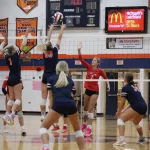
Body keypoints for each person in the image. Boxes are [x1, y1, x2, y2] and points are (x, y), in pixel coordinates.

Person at [39, 61, 85, 150]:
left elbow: (51, 97)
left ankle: (46, 147)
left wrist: (52, 109)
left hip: (58, 104)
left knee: (43, 128)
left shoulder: (51, 79)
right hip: (71, 104)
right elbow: (72, 95)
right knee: (78, 130)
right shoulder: (70, 80)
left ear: (57, 68)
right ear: (67, 69)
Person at [77, 42, 110, 137]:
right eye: (93, 60)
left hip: (95, 91)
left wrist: (108, 85)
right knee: (85, 110)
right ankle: (84, 124)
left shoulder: (100, 71)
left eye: (95, 60)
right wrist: (79, 49)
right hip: (87, 90)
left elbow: (106, 78)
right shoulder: (88, 67)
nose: (93, 61)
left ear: (98, 63)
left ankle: (89, 129)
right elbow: (80, 59)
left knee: (91, 109)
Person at [1, 28, 30, 126]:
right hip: (17, 78)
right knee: (18, 98)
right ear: (13, 50)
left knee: (11, 98)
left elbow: (1, 49)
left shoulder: (6, 56)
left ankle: (6, 115)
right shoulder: (16, 54)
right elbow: (24, 43)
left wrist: (4, 41)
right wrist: (27, 32)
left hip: (10, 78)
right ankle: (12, 114)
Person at [39, 24, 66, 129]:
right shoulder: (54, 51)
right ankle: (54, 122)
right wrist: (62, 29)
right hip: (53, 76)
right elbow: (59, 38)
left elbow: (48, 39)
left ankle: (42, 115)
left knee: (43, 97)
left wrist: (50, 30)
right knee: (52, 99)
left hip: (45, 75)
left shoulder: (44, 52)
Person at [114, 73, 147, 146]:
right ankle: (141, 138)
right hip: (144, 106)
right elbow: (132, 102)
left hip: (137, 106)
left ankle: (122, 141)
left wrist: (118, 112)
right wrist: (123, 110)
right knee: (135, 122)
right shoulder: (135, 86)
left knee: (120, 120)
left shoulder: (125, 88)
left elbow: (122, 102)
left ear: (125, 79)